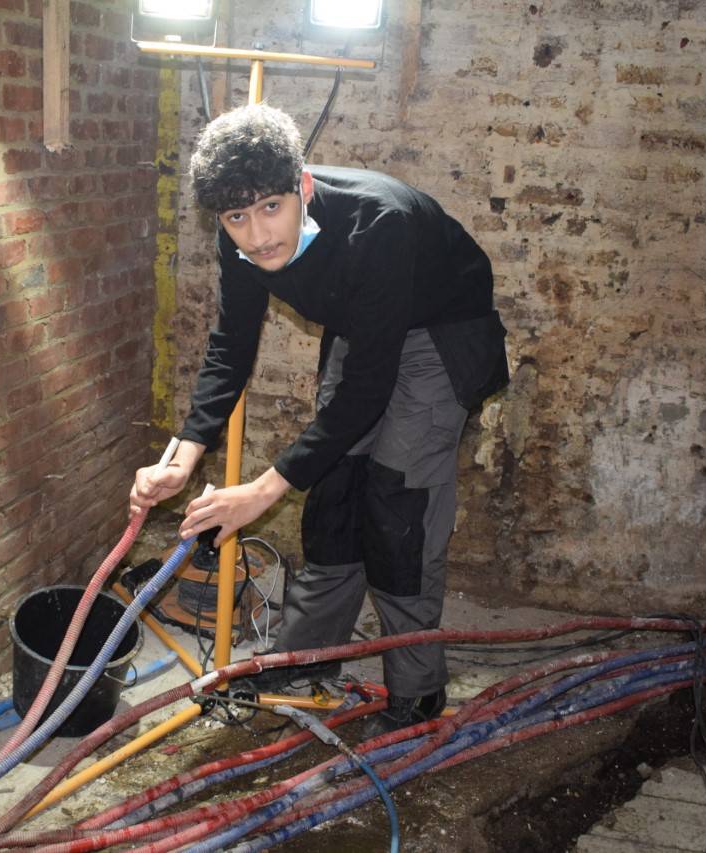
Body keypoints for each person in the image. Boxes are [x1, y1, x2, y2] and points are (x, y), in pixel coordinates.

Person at [130, 103, 509, 736]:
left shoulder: (377, 224)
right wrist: (184, 454)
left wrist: (261, 489)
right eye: (237, 219)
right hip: (366, 326)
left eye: (271, 208)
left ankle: (418, 688)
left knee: (398, 503)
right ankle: (301, 657)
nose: (258, 236)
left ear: (302, 186)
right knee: (333, 489)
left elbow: (369, 386)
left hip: (440, 332)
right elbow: (231, 345)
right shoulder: (242, 238)